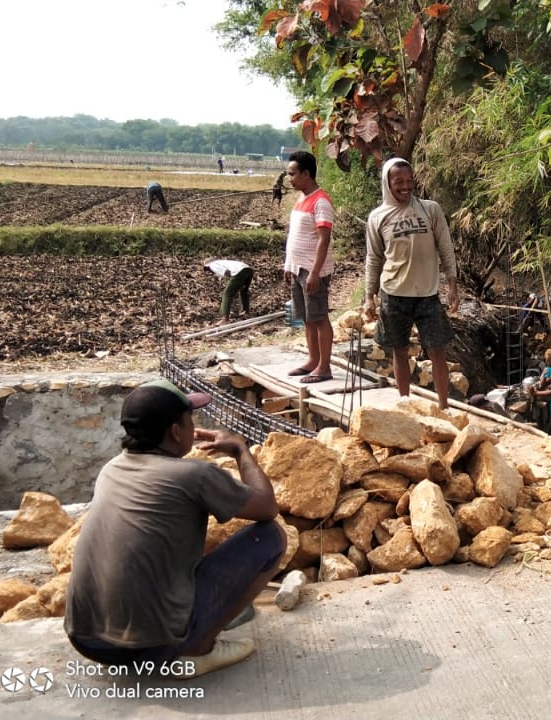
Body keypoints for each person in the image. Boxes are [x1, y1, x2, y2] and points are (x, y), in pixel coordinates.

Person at [64, 379, 284, 680]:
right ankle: (197, 650)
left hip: (88, 642)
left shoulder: (111, 469)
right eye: (190, 419)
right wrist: (240, 451)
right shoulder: (195, 474)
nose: (194, 427)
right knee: (270, 537)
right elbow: (267, 507)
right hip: (147, 649)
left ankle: (190, 626)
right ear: (176, 431)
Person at [363, 157, 460, 410]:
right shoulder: (378, 217)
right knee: (400, 350)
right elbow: (373, 258)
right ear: (387, 183)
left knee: (437, 350)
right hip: (394, 293)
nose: (405, 186)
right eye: (399, 182)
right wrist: (368, 296)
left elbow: (446, 247)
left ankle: (444, 407)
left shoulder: (430, 209)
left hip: (427, 293)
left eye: (409, 181)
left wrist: (452, 285)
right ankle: (404, 403)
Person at [282, 150, 335, 384]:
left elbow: (323, 239)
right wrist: (289, 265)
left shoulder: (321, 201)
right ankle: (313, 360)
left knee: (320, 317)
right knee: (306, 317)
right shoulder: (301, 199)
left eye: (293, 174)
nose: (290, 179)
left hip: (313, 270)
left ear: (306, 173)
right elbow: (295, 235)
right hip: (298, 268)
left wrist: (315, 272)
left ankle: (324, 367)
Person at [204, 258, 254, 325]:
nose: (209, 271)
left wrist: (231, 282)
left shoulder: (213, 265)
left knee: (227, 294)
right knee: (244, 291)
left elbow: (226, 272)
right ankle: (245, 313)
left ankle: (225, 319)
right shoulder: (223, 262)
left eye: (207, 269)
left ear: (207, 266)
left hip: (239, 272)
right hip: (248, 270)